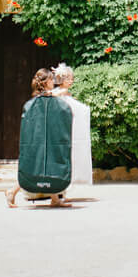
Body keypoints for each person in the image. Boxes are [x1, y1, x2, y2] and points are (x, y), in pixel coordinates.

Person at [7, 68, 69, 208]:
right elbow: (57, 93)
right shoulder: (43, 97)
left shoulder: (40, 97)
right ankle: (11, 191)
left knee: (41, 168)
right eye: (51, 79)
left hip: (43, 137)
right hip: (41, 138)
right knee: (37, 169)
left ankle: (55, 199)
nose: (53, 81)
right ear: (46, 81)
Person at [51, 64, 92, 196]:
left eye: (71, 78)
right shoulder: (58, 93)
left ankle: (61, 191)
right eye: (69, 78)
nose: (71, 81)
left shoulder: (65, 94)